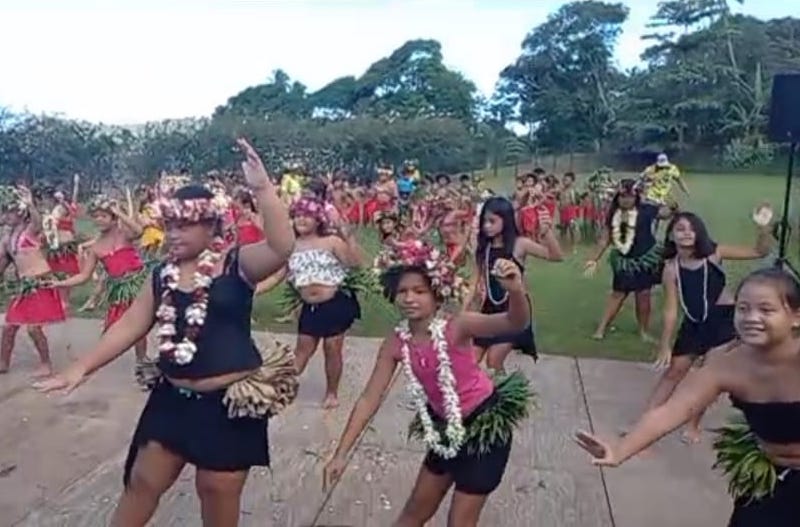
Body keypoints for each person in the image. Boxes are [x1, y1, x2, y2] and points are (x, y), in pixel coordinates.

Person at [34, 139, 297, 526]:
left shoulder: (236, 265)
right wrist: (80, 368)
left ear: (212, 226)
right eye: (170, 225)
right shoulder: (162, 275)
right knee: (143, 480)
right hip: (171, 398)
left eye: (186, 225)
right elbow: (129, 326)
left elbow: (282, 245)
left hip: (228, 405)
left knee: (215, 490)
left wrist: (262, 188)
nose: (174, 234)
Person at [324, 240, 534, 527]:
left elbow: (515, 323)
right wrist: (341, 453)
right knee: (414, 511)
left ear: (437, 295)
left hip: (484, 430)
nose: (409, 298)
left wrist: (516, 290)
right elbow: (369, 399)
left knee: (459, 521)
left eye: (419, 291)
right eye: (402, 291)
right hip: (443, 429)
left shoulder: (458, 327)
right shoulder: (395, 343)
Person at [575, 267, 800, 527]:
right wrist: (620, 450)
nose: (752, 317)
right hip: (774, 478)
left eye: (766, 310)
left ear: (795, 317)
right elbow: (670, 411)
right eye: (743, 308)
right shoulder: (727, 366)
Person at [645, 207, 773, 443]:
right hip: (694, 323)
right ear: (671, 234)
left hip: (722, 321)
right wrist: (665, 344)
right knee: (673, 372)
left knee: (707, 377)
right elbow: (671, 310)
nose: (686, 233)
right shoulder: (671, 268)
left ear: (699, 233)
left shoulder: (714, 253)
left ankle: (693, 425)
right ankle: (646, 422)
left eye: (691, 229)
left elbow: (759, 251)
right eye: (680, 229)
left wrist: (763, 227)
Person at [261, 196, 364, 408]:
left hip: (335, 302)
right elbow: (277, 275)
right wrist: (254, 289)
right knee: (302, 350)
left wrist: (348, 237)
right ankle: (281, 387)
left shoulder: (331, 242)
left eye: (307, 216)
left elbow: (353, 263)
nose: (302, 219)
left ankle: (331, 392)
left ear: (318, 220)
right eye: (298, 215)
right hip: (310, 306)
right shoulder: (291, 247)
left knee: (331, 347)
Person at [51, 195, 149, 368]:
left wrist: (118, 212)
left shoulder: (124, 234)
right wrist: (59, 284)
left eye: (103, 216)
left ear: (113, 219)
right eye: (96, 216)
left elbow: (139, 231)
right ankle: (94, 363)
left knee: (140, 327)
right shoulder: (95, 247)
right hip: (119, 290)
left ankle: (142, 362)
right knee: (113, 329)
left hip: (139, 285)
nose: (99, 220)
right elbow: (84, 276)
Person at [467, 197, 563, 372]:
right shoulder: (483, 248)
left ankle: (504, 397)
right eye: (484, 221)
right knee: (470, 361)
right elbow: (474, 281)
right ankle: (482, 395)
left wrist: (547, 232)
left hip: (514, 311)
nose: (486, 226)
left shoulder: (520, 244)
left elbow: (556, 256)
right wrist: (463, 311)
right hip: (490, 311)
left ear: (506, 219)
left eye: (492, 221)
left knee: (493, 361)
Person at [585, 179, 672, 341]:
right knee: (618, 294)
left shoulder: (646, 210)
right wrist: (594, 259)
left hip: (645, 259)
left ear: (636, 197)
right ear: (617, 197)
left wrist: (670, 205)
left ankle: (643, 331)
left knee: (643, 294)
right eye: (622, 196)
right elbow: (605, 239)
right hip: (624, 261)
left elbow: (665, 213)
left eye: (630, 196)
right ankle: (601, 328)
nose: (626, 199)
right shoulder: (613, 215)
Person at [0, 186, 67, 377]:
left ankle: (46, 363)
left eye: (10, 211)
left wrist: (30, 203)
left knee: (33, 328)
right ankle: (3, 362)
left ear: (21, 214)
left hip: (40, 283)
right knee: (9, 326)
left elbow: (37, 222)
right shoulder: (6, 240)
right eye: (4, 212)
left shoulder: (29, 232)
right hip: (24, 287)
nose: (6, 215)